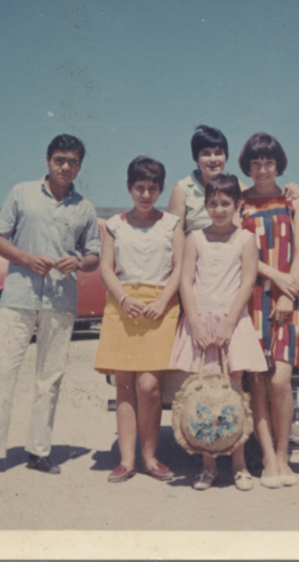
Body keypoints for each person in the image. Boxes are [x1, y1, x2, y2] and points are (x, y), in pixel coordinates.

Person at [0, 134, 101, 478]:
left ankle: (39, 452)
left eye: (73, 162)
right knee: (1, 374)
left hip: (61, 301)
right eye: (60, 159)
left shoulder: (85, 208)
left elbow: (94, 255)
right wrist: (27, 258)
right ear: (47, 160)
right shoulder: (21, 193)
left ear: (80, 166)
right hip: (18, 297)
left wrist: (77, 262)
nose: (66, 166)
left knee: (50, 378)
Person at [169, 173, 267, 491]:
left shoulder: (245, 239)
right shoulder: (195, 238)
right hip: (201, 321)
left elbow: (247, 282)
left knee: (233, 392)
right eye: (213, 203)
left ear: (237, 204)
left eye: (226, 203)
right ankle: (208, 465)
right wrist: (195, 323)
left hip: (232, 323)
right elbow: (185, 281)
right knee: (202, 393)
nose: (220, 209)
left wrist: (228, 324)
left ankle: (239, 465)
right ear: (205, 205)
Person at [93, 156, 184, 483]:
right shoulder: (115, 225)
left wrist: (162, 302)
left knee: (148, 386)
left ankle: (151, 457)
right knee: (125, 385)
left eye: (152, 188)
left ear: (160, 189)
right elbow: (106, 267)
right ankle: (127, 461)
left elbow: (179, 268)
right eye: (140, 187)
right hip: (123, 307)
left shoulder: (171, 224)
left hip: (160, 308)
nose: (146, 194)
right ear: (129, 188)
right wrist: (124, 298)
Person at [238, 133, 299, 489]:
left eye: (268, 162)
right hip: (252, 297)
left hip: (288, 297)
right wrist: (274, 276)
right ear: (247, 166)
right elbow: (240, 252)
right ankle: (267, 458)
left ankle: (284, 456)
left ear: (278, 164)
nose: (262, 168)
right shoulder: (239, 203)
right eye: (255, 163)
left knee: (281, 379)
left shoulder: (294, 200)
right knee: (259, 380)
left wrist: (288, 290)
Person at [168, 124, 299, 235]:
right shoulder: (182, 189)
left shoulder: (236, 186)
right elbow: (174, 236)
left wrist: (291, 188)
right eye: (206, 154)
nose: (213, 159)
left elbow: (262, 193)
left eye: (219, 153)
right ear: (196, 159)